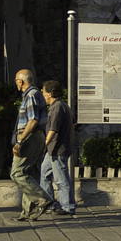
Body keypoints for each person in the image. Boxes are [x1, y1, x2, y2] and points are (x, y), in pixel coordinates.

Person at [9, 68, 50, 221]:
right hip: (35, 137)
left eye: (16, 80)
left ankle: (42, 199)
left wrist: (20, 141)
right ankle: (28, 211)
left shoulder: (31, 95)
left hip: (30, 137)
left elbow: (33, 120)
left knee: (17, 173)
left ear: (21, 81)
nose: (15, 83)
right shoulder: (32, 95)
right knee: (29, 173)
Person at [39, 79, 76, 215]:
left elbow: (53, 130)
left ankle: (67, 207)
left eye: (43, 92)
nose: (43, 95)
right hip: (53, 150)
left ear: (49, 93)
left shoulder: (58, 107)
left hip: (58, 148)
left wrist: (43, 145)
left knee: (61, 179)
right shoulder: (60, 106)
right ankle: (49, 204)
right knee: (44, 174)